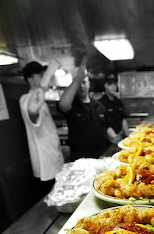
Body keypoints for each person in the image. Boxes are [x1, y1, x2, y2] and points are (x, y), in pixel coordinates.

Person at [19, 59, 64, 194]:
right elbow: (32, 109)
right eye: (40, 76)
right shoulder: (26, 100)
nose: (45, 78)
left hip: (54, 158)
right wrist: (45, 81)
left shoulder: (40, 100)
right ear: (30, 80)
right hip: (46, 165)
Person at [58, 56, 109, 161]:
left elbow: (105, 127)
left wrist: (117, 139)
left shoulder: (99, 106)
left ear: (89, 84)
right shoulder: (71, 105)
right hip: (79, 157)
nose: (82, 86)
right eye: (79, 84)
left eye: (84, 82)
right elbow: (63, 105)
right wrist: (78, 79)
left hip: (100, 155)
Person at [99, 73, 129, 144]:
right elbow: (104, 125)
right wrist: (115, 137)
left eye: (114, 84)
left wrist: (129, 137)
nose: (113, 87)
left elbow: (123, 119)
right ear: (105, 85)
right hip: (108, 140)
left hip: (119, 137)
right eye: (110, 84)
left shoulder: (119, 102)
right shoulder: (100, 103)